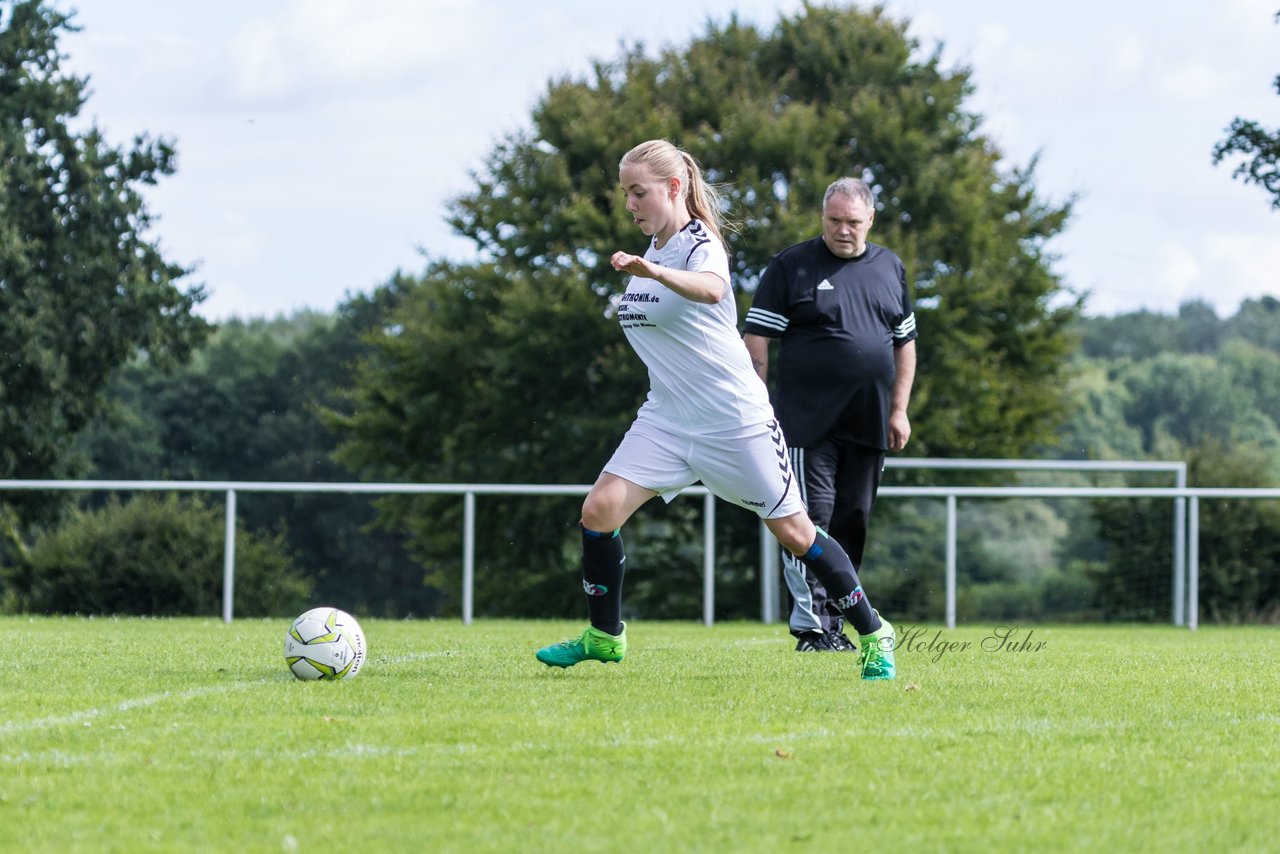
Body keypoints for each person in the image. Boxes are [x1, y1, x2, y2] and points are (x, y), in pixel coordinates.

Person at [535, 141, 896, 680]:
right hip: (667, 418)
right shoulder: (652, 253)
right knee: (599, 510)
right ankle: (605, 638)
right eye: (626, 194)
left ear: (674, 188)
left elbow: (711, 288)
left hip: (734, 421)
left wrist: (653, 274)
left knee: (798, 534)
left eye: (640, 193)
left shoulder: (699, 243)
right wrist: (648, 270)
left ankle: (874, 633)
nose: (630, 204)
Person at [743, 177, 917, 653]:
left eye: (853, 222)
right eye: (834, 220)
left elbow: (905, 343)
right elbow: (756, 339)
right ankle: (813, 629)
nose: (843, 230)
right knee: (809, 521)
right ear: (823, 217)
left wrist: (898, 410)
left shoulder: (889, 267)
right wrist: (759, 406)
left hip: (869, 423)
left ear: (871, 221)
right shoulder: (791, 266)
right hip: (804, 424)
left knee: (852, 522)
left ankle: (842, 620)